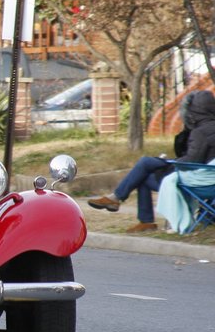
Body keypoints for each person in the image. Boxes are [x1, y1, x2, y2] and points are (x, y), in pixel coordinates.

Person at [89, 90, 215, 232]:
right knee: (145, 172)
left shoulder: (200, 132)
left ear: (196, 110)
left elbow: (191, 161)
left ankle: (120, 201)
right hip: (207, 176)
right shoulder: (208, 128)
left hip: (198, 181)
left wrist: (171, 162)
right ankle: (135, 214)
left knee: (145, 164)